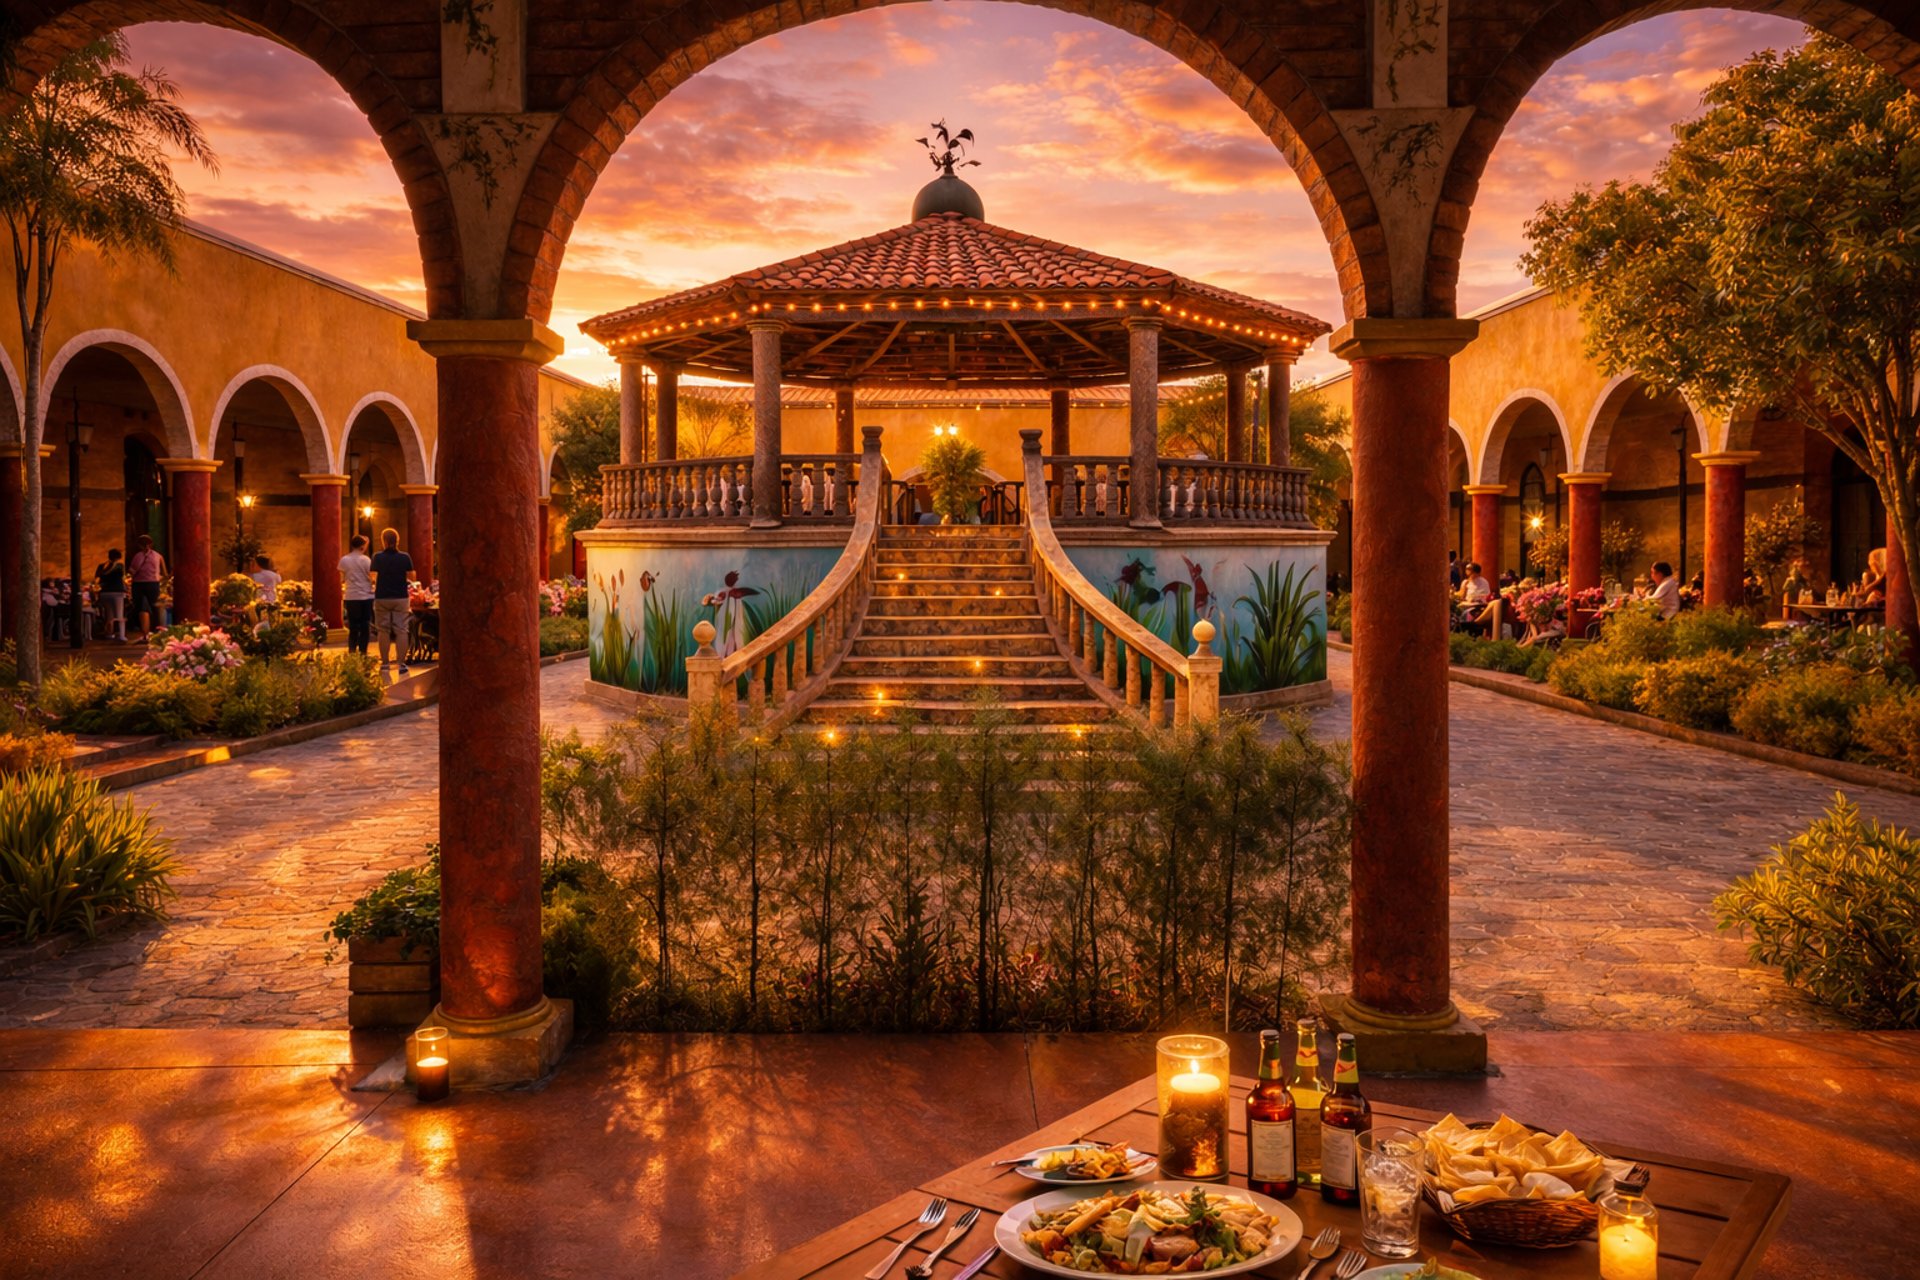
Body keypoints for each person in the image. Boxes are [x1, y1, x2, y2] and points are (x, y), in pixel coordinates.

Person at [369, 527, 417, 674]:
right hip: (401, 597)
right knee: (402, 630)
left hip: (382, 596)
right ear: (397, 541)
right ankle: (402, 664)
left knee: (383, 630)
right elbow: (412, 577)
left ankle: (385, 664)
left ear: (384, 541)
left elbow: (372, 576)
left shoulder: (377, 557)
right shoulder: (405, 557)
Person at [339, 534, 374, 656]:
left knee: (353, 624)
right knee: (365, 624)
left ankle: (352, 650)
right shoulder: (366, 560)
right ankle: (363, 651)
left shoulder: (344, 560)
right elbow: (372, 577)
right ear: (362, 546)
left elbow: (342, 577)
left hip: (351, 595)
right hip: (366, 595)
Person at [127, 534, 166, 641]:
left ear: (139, 545)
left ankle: (145, 634)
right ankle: (158, 632)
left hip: (139, 584)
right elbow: (164, 572)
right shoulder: (158, 556)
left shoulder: (138, 556)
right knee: (155, 607)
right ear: (151, 544)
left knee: (141, 608)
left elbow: (131, 571)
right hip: (153, 583)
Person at [94, 548, 128, 642]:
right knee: (119, 615)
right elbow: (122, 578)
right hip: (117, 592)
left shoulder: (101, 566)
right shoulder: (120, 566)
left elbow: (97, 578)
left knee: (109, 615)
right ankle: (121, 635)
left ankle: (109, 633)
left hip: (105, 592)